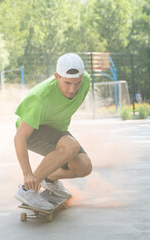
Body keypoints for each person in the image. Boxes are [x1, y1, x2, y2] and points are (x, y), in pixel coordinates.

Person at [14, 53, 93, 210]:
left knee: (84, 167)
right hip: (32, 132)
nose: (72, 89)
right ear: (56, 76)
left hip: (56, 131)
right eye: (67, 83)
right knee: (71, 146)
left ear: (82, 77)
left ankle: (49, 179)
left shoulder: (86, 82)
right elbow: (20, 137)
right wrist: (27, 173)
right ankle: (27, 190)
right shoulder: (40, 98)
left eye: (77, 83)